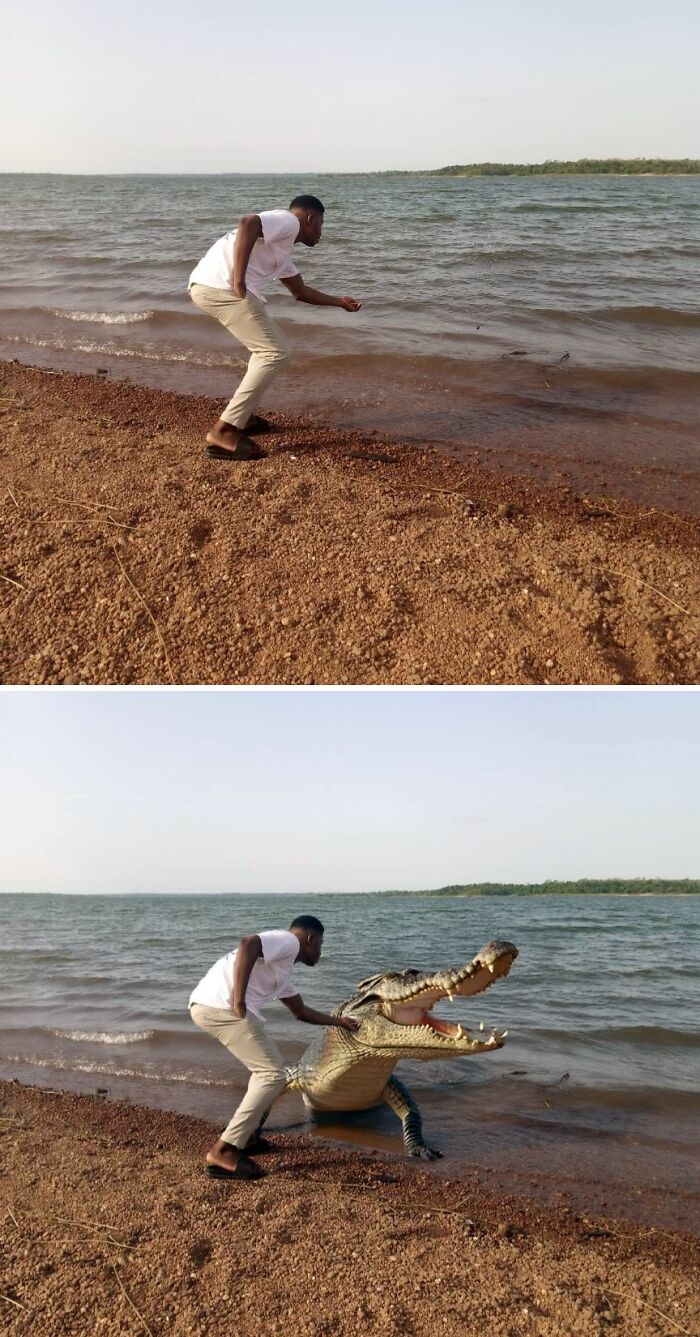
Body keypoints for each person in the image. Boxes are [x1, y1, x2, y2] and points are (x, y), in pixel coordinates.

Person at [188, 195, 362, 461]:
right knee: (274, 353)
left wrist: (339, 302)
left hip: (207, 286)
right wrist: (238, 282)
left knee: (266, 352)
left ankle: (241, 418)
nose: (321, 232)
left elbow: (300, 291)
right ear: (310, 219)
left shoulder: (281, 251)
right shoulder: (289, 221)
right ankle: (224, 431)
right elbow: (248, 223)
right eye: (321, 225)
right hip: (222, 287)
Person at [188, 914, 360, 1180]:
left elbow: (300, 1011)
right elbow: (248, 943)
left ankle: (243, 1139)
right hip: (221, 1006)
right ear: (311, 938)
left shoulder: (281, 971)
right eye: (321, 945)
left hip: (208, 1005)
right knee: (272, 1074)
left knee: (267, 1074)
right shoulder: (290, 941)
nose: (320, 952)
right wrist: (239, 1000)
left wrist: (339, 1022)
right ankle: (224, 1150)